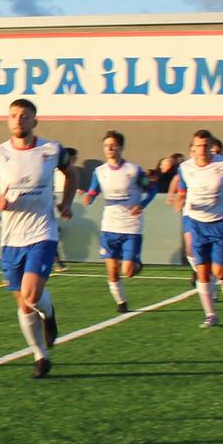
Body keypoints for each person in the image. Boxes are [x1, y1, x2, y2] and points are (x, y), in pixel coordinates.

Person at [0, 98, 75, 375]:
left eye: (24, 115)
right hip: (11, 239)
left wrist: (67, 202)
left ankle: (49, 312)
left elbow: (71, 174)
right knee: (23, 303)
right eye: (13, 115)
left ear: (35, 120)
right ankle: (40, 355)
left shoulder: (52, 150)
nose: (18, 120)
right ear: (8, 120)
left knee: (31, 294)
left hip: (42, 233)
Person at [171, 130, 223, 327]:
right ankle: (210, 314)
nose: (201, 149)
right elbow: (183, 190)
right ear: (192, 148)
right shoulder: (185, 168)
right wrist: (179, 200)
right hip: (196, 223)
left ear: (211, 146)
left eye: (205, 145)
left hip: (222, 222)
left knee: (219, 271)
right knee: (202, 271)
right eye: (198, 146)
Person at [82, 130, 150, 312]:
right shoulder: (100, 171)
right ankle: (121, 302)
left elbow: (151, 188)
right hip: (110, 226)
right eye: (106, 145)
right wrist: (89, 196)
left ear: (121, 147)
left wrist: (142, 203)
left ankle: (136, 264)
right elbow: (94, 190)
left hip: (131, 226)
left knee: (127, 271)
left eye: (113, 145)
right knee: (112, 269)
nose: (109, 148)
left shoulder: (133, 170)